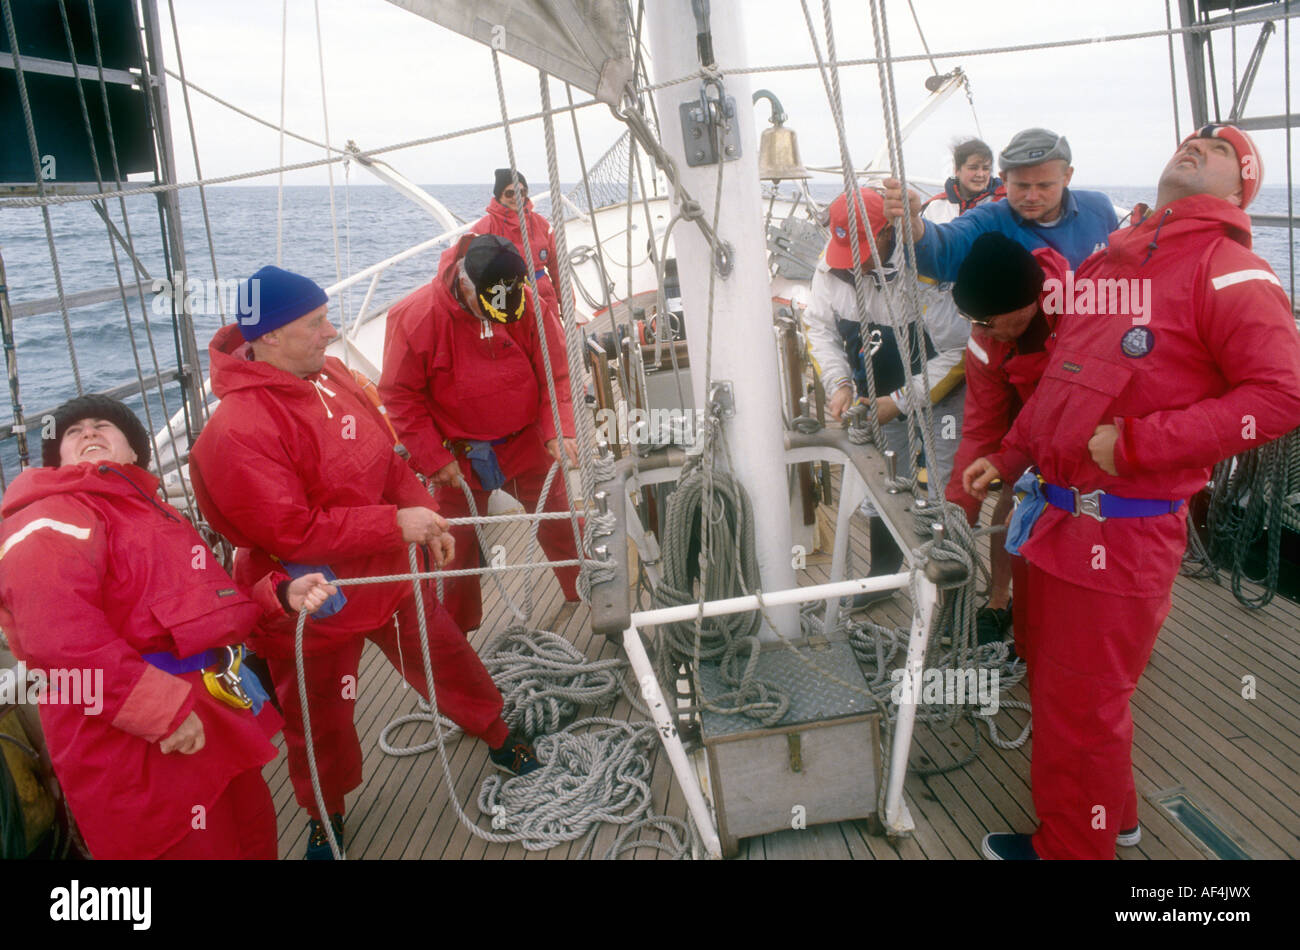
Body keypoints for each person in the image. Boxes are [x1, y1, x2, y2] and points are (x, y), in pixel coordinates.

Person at [961, 124, 1300, 859]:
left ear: (1240, 189)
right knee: (1072, 696)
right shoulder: (1116, 262)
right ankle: (1111, 819)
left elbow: (1280, 395)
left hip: (1119, 535)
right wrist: (1009, 453)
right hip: (1054, 524)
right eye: (1193, 139)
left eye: (1218, 151)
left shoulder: (1231, 271)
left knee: (1078, 708)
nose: (1197, 146)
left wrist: (1143, 444)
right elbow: (1063, 385)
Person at [190, 266, 540, 860]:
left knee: (445, 655)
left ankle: (499, 733)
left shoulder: (325, 373)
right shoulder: (235, 432)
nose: (332, 333)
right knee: (319, 717)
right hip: (312, 598)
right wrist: (393, 523)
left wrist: (425, 514)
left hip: (387, 575)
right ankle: (326, 814)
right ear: (269, 338)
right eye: (316, 323)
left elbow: (388, 458)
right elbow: (290, 530)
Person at [0, 395, 334, 859]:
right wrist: (159, 713)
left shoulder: (154, 512)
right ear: (58, 461)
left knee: (255, 837)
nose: (89, 433)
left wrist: (277, 597)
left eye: (102, 426)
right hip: (141, 745)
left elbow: (206, 614)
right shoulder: (52, 515)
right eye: (74, 433)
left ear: (135, 451)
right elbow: (56, 641)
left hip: (215, 720)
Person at [380, 234, 581, 634]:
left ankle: (585, 591)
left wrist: (558, 429)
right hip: (460, 456)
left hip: (527, 442)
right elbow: (400, 396)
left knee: (561, 521)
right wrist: (434, 458)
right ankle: (457, 632)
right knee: (455, 547)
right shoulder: (415, 317)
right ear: (465, 286)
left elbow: (555, 374)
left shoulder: (527, 304)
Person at [802, 186, 969, 606]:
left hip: (938, 394)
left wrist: (900, 400)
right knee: (881, 485)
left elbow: (959, 350)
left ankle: (949, 599)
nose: (850, 263)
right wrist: (839, 384)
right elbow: (818, 328)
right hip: (875, 392)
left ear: (887, 233)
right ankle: (883, 578)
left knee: (942, 492)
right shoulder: (830, 267)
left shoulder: (927, 271)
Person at [944, 233, 1069, 648]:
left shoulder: (1083, 316)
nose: (978, 331)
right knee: (1014, 499)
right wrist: (957, 515)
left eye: (986, 322)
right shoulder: (985, 343)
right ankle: (1000, 601)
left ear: (1027, 304)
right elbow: (980, 430)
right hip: (1027, 430)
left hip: (1091, 431)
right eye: (972, 321)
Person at [884, 127, 1119, 276]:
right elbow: (944, 249)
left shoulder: (1099, 208)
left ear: (1067, 176)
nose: (1032, 196)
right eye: (1022, 186)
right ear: (1004, 179)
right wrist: (911, 224)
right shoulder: (988, 221)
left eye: (1045, 185)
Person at [474, 168, 564, 318]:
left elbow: (558, 267)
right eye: (510, 193)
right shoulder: (484, 229)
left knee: (551, 339)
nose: (517, 197)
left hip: (544, 294)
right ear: (499, 195)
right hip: (506, 297)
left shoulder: (541, 224)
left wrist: (566, 304)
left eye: (522, 192)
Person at [921, 137, 1005, 225]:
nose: (980, 174)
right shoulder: (935, 207)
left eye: (986, 168)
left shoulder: (1004, 203)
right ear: (957, 170)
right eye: (973, 168)